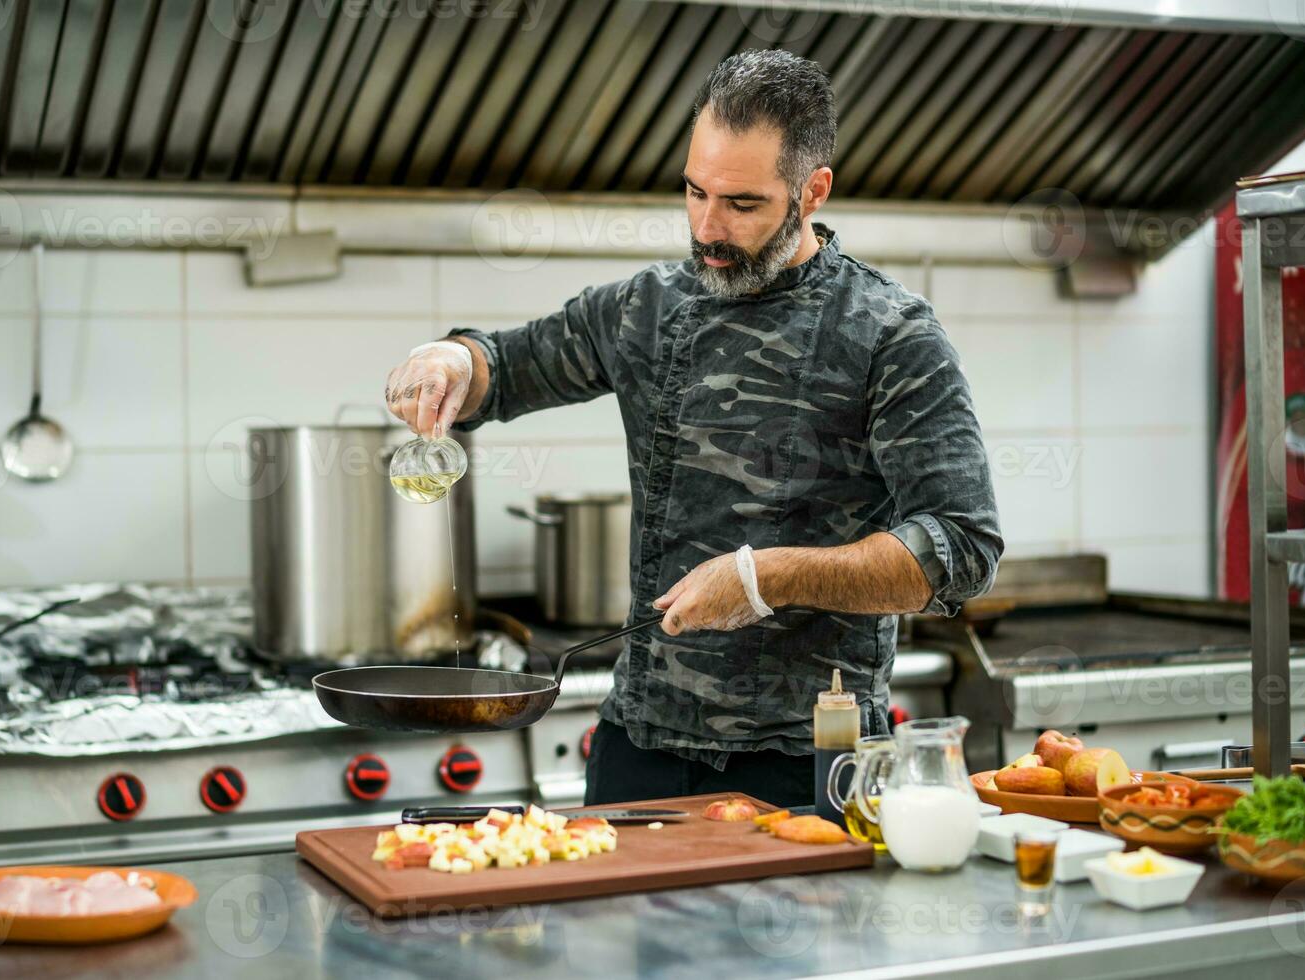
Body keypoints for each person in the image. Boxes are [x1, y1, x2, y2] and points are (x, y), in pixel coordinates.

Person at [383, 50, 1002, 806]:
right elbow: (508, 367)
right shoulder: (647, 308)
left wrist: (767, 578)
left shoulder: (889, 332)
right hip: (639, 748)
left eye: (742, 204)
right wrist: (453, 361)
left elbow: (962, 545)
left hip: (810, 759)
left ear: (813, 192)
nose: (708, 227)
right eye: (694, 191)